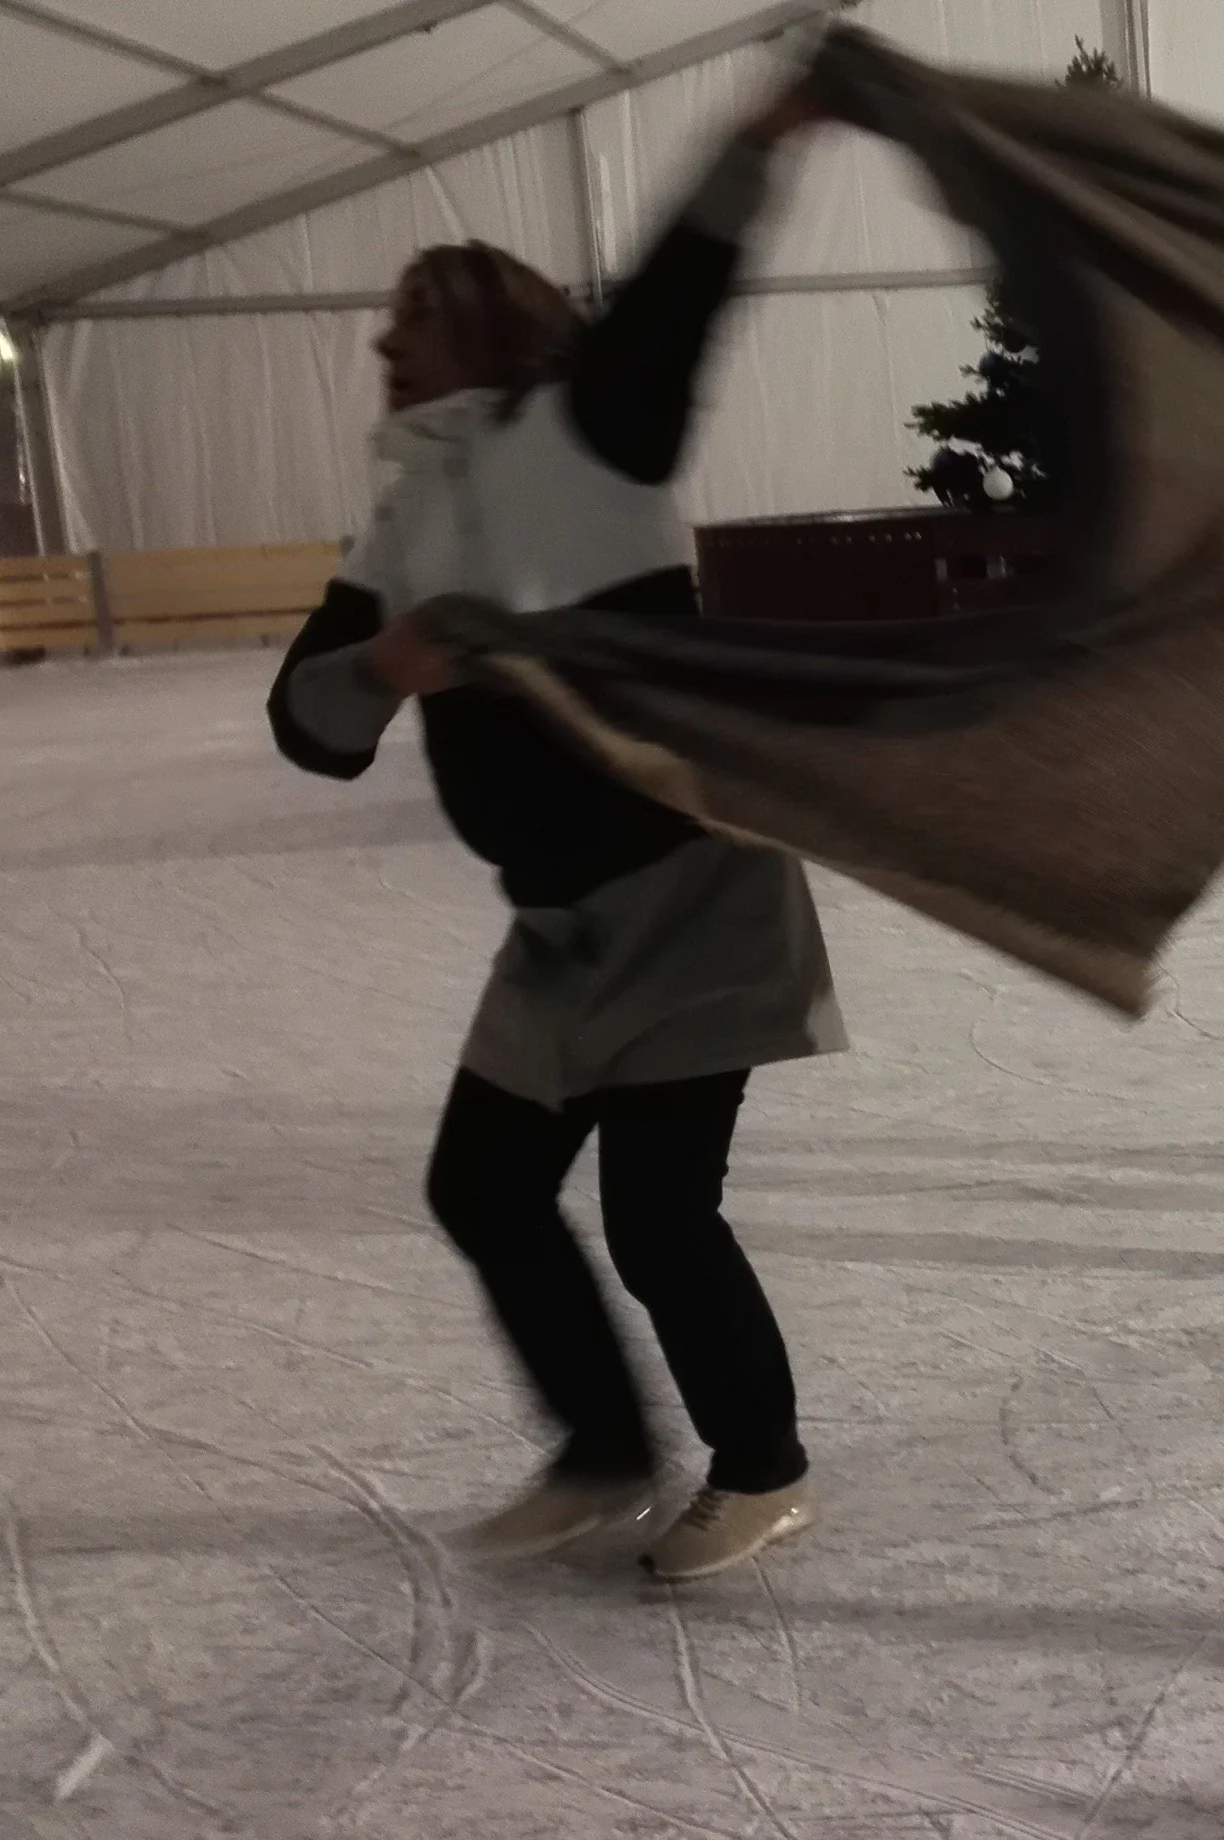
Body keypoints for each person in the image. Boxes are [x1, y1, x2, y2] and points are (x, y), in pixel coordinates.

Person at [266, 83, 842, 1581]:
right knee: (483, 1187)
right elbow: (306, 723)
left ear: (498, 333)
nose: (384, 346)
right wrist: (387, 662)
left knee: (659, 1217)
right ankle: (601, 1451)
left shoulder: (593, 446)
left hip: (695, 894)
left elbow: (674, 303)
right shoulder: (405, 523)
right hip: (563, 925)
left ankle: (764, 1469)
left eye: (416, 316)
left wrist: (754, 146)